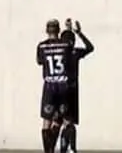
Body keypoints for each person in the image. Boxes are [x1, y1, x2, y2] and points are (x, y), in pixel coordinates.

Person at [37, 19, 73, 153]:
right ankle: (69, 147)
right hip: (63, 85)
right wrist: (69, 30)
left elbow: (40, 61)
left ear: (47, 31)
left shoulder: (41, 46)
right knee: (66, 119)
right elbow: (69, 60)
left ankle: (48, 151)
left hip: (49, 86)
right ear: (58, 31)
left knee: (46, 121)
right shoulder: (66, 45)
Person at [58, 19, 94, 153]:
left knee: (63, 123)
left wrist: (66, 30)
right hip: (71, 91)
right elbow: (90, 47)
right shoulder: (74, 52)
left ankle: (65, 148)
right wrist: (79, 32)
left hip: (58, 90)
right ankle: (71, 148)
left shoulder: (59, 51)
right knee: (69, 123)